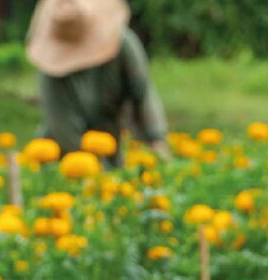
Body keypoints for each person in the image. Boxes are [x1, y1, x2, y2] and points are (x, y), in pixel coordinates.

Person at [26, 0, 170, 166]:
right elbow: (63, 129)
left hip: (111, 133)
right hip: (65, 158)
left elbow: (143, 94)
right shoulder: (50, 74)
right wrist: (95, 175)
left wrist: (156, 140)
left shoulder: (123, 45)